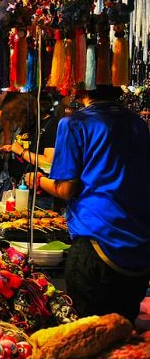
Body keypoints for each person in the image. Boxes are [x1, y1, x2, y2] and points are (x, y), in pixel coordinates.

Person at [24, 85, 150, 322]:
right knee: (123, 331)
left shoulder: (74, 123)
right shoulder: (136, 123)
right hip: (139, 244)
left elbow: (65, 188)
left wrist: (39, 180)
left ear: (80, 91)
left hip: (96, 240)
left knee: (88, 330)